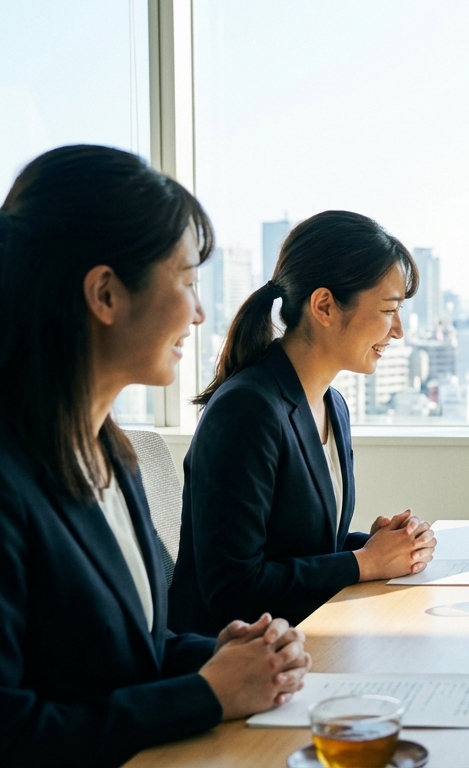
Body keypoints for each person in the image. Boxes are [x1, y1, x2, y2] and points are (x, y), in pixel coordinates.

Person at [0, 145, 310, 766]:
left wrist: (220, 654)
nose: (199, 313)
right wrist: (205, 694)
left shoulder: (116, 456)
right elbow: (12, 729)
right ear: (106, 294)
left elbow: (124, 650)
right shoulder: (9, 482)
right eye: (188, 283)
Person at [169, 211, 436, 635]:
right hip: (237, 661)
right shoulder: (246, 410)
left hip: (307, 636)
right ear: (324, 306)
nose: (399, 330)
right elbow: (233, 588)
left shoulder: (333, 404)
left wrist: (380, 547)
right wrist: (364, 562)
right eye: (389, 309)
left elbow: (304, 548)